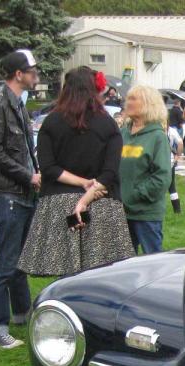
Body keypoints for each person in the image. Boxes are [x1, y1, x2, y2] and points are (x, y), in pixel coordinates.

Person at [18, 67, 132, 277]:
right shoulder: (108, 124)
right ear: (93, 90)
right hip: (101, 204)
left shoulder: (51, 122)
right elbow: (109, 173)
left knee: (64, 278)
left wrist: (81, 187)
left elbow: (49, 168)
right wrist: (86, 196)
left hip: (59, 204)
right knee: (100, 276)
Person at [0, 49, 41, 349]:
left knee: (20, 261)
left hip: (23, 194)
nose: (36, 75)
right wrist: (29, 177)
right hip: (8, 194)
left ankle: (22, 314)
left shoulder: (18, 105)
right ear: (18, 74)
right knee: (5, 263)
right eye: (32, 71)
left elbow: (25, 149)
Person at [119, 85, 172, 254]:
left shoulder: (158, 137)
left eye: (134, 99)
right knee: (122, 264)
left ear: (148, 104)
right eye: (128, 98)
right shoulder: (122, 134)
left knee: (152, 264)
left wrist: (134, 195)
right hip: (121, 212)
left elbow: (162, 177)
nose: (128, 102)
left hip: (146, 214)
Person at [166, 123, 183, 214]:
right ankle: (177, 211)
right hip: (170, 161)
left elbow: (180, 143)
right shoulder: (172, 130)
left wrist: (177, 156)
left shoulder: (152, 129)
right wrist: (177, 156)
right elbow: (180, 143)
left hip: (159, 161)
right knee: (172, 187)